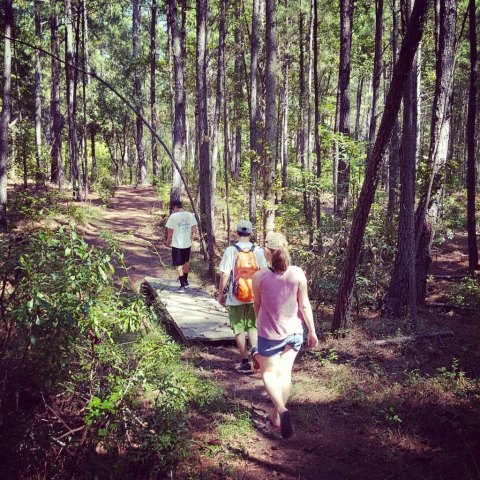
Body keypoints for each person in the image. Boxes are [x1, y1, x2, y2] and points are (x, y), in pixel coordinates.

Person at [252, 232, 318, 438]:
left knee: (269, 374)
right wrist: (312, 332)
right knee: (285, 374)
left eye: (264, 248)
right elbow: (304, 305)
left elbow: (257, 305)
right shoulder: (298, 273)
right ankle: (276, 417)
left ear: (269, 252)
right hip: (294, 333)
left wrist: (259, 321)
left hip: (270, 334)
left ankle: (281, 410)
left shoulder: (259, 276)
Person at [218, 220, 268, 374]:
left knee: (239, 328)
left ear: (237, 232)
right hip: (254, 294)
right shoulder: (258, 250)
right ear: (251, 233)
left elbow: (225, 274)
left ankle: (245, 362)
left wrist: (221, 294)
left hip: (235, 295)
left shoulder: (231, 250)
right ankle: (255, 350)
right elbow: (265, 272)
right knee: (252, 325)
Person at [165, 200, 198, 291]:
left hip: (177, 244)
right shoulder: (190, 215)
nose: (173, 210)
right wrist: (190, 235)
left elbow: (170, 230)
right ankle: (186, 281)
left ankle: (182, 285)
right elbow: (194, 229)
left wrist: (168, 240)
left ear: (175, 207)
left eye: (172, 208)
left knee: (179, 265)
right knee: (186, 262)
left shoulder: (173, 216)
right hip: (187, 243)